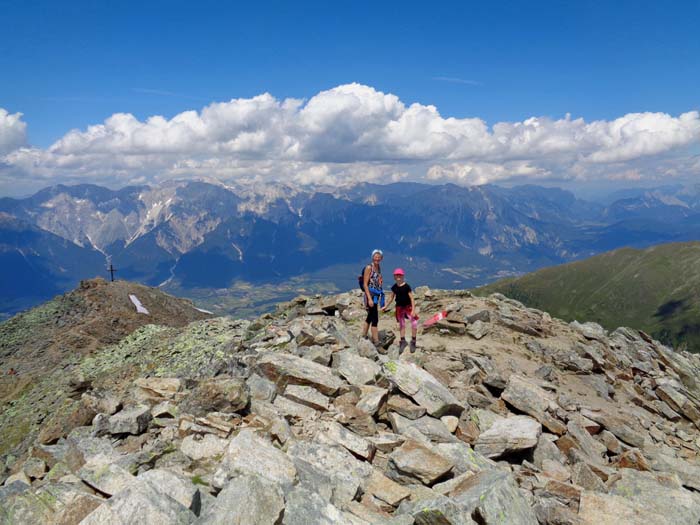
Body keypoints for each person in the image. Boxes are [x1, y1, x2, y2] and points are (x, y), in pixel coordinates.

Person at [382, 268, 418, 352]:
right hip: (399, 308)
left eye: (400, 275)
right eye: (396, 275)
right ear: (394, 276)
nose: (398, 276)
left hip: (408, 307)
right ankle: (402, 341)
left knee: (414, 323)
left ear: (403, 276)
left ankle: (413, 341)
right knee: (402, 324)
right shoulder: (394, 287)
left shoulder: (406, 286)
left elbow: (412, 298)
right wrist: (386, 306)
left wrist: (413, 310)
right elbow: (391, 297)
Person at [361, 249, 384, 346]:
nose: (377, 259)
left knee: (370, 316)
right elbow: (365, 284)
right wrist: (369, 299)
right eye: (375, 257)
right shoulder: (368, 268)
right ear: (372, 257)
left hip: (376, 295)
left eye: (379, 257)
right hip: (370, 295)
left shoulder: (378, 267)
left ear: (381, 258)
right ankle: (376, 342)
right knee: (375, 319)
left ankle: (363, 336)